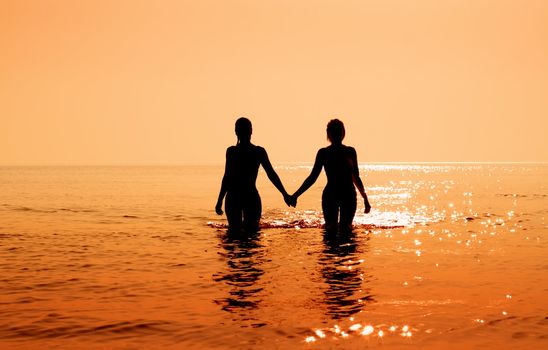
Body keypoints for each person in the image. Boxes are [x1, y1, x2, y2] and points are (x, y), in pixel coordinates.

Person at [291, 119, 371, 231]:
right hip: (344, 193)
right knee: (344, 229)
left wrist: (295, 195)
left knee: (332, 229)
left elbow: (312, 178)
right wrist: (365, 198)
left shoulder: (328, 153)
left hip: (335, 193)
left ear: (329, 134)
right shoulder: (345, 152)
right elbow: (355, 177)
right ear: (343, 133)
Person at [215, 117, 294, 231]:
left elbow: (227, 177)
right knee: (251, 237)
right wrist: (285, 194)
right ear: (251, 131)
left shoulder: (246, 151)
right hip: (246, 197)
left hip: (238, 197)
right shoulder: (247, 151)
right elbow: (227, 177)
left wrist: (284, 194)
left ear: (236, 132)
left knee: (234, 234)